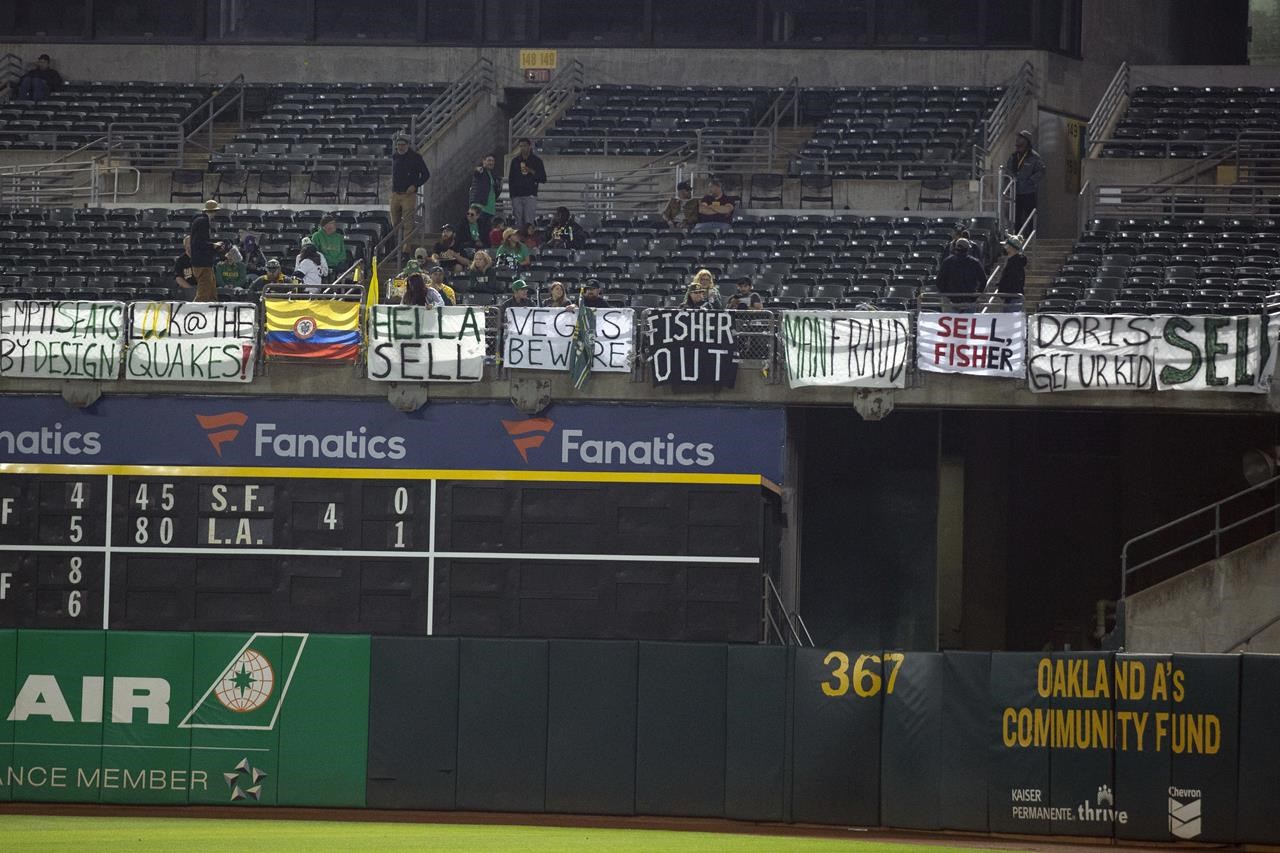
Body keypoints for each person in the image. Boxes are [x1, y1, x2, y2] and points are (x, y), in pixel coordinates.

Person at [390, 136, 430, 249]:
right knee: (395, 222)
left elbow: (426, 174)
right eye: (399, 145)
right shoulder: (395, 156)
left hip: (408, 194)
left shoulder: (416, 157)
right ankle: (396, 247)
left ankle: (406, 250)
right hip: (395, 193)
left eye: (403, 145)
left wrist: (415, 185)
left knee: (408, 223)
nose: (400, 147)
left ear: (407, 145)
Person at [1006, 130, 1046, 233]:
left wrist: (1031, 181)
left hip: (1029, 192)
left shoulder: (1034, 157)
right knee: (1016, 216)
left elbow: (1041, 170)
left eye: (1021, 137)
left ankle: (1030, 237)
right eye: (1018, 137)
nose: (1018, 140)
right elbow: (1008, 170)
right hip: (1016, 191)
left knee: (1029, 216)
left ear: (1026, 141)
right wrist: (1011, 180)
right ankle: (1017, 236)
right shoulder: (1014, 156)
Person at [935, 237, 987, 311]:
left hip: (951, 302)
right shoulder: (975, 262)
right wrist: (975, 296)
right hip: (969, 300)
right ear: (968, 249)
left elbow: (939, 282)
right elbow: (983, 280)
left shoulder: (947, 261)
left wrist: (948, 295)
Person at [507, 137, 546, 229]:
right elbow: (511, 178)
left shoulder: (537, 161)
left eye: (524, 146)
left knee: (529, 220)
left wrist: (532, 171)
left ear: (529, 146)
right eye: (520, 146)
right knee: (518, 220)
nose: (522, 148)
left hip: (530, 194)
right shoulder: (515, 161)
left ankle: (528, 240)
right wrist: (512, 195)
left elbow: (543, 178)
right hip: (517, 194)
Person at [188, 199, 222, 302]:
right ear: (214, 211)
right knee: (203, 293)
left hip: (202, 262)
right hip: (202, 263)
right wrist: (213, 245)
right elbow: (200, 242)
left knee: (211, 291)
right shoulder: (203, 221)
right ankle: (195, 311)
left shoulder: (198, 221)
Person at [468, 154, 502, 236]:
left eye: (493, 161)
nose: (491, 162)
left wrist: (499, 188)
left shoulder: (493, 175)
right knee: (476, 227)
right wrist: (477, 169)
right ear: (483, 161)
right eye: (489, 160)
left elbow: (495, 192)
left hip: (489, 208)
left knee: (485, 230)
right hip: (479, 206)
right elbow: (476, 172)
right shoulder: (481, 171)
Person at [996, 234, 1027, 305]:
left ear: (1012, 247)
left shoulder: (1015, 263)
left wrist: (1003, 286)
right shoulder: (1013, 261)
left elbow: (1012, 280)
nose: (1005, 247)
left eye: (1006, 245)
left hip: (1013, 298)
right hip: (1010, 298)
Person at [172, 236, 198, 300]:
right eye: (190, 243)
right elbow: (178, 278)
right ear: (185, 246)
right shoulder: (181, 260)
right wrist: (191, 290)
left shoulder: (201, 258)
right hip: (187, 290)